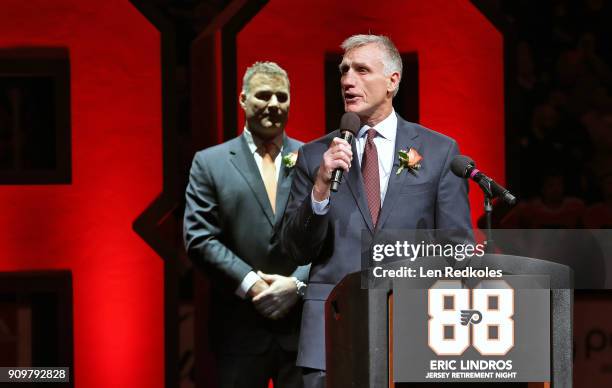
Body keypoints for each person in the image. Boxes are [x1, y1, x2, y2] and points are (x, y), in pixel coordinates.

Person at [281, 34, 472, 387]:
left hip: (414, 331)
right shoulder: (314, 156)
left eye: (361, 70)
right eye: (344, 71)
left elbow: (456, 250)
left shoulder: (440, 151)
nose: (347, 80)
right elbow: (296, 248)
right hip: (331, 332)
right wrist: (320, 188)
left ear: (392, 81)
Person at [184, 61, 308, 388]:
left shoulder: (315, 160)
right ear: (242, 100)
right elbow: (199, 238)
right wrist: (253, 284)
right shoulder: (209, 163)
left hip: (302, 331)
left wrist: (296, 285)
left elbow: (335, 235)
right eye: (263, 95)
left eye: (282, 97)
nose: (273, 104)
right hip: (237, 330)